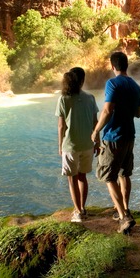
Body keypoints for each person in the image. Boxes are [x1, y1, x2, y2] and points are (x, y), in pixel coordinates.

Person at [91, 51, 140, 234]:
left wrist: (96, 130)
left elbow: (107, 110)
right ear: (126, 65)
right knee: (124, 174)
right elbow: (138, 113)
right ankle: (125, 209)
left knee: (108, 176)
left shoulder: (112, 83)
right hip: (130, 136)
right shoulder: (136, 86)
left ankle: (123, 217)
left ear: (113, 67)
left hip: (113, 136)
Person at [56, 67, 99, 223]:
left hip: (71, 145)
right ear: (82, 81)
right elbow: (96, 123)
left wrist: (60, 145)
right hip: (88, 144)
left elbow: (61, 126)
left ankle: (78, 212)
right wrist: (97, 142)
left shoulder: (64, 99)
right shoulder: (91, 98)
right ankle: (83, 208)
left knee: (72, 179)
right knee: (82, 177)